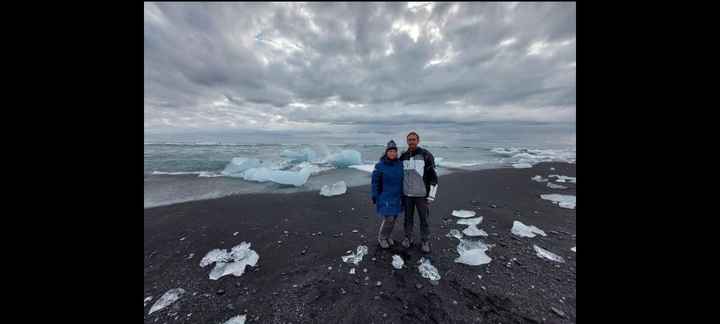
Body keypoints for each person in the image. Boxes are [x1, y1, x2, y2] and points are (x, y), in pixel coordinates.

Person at [400, 131, 438, 253]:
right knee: (407, 218)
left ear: (418, 140)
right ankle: (408, 237)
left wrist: (431, 195)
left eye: (413, 139)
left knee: (424, 219)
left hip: (422, 195)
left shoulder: (426, 155)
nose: (411, 142)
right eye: (409, 140)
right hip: (407, 195)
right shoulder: (404, 156)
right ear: (407, 141)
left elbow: (433, 177)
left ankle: (425, 241)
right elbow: (400, 175)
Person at [371, 140, 404, 249]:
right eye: (390, 151)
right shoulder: (380, 165)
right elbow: (375, 182)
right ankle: (382, 238)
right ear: (386, 152)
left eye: (394, 151)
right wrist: (374, 195)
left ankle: (388, 236)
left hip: (397, 196)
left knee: (394, 218)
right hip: (385, 196)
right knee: (388, 218)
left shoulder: (400, 164)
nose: (392, 153)